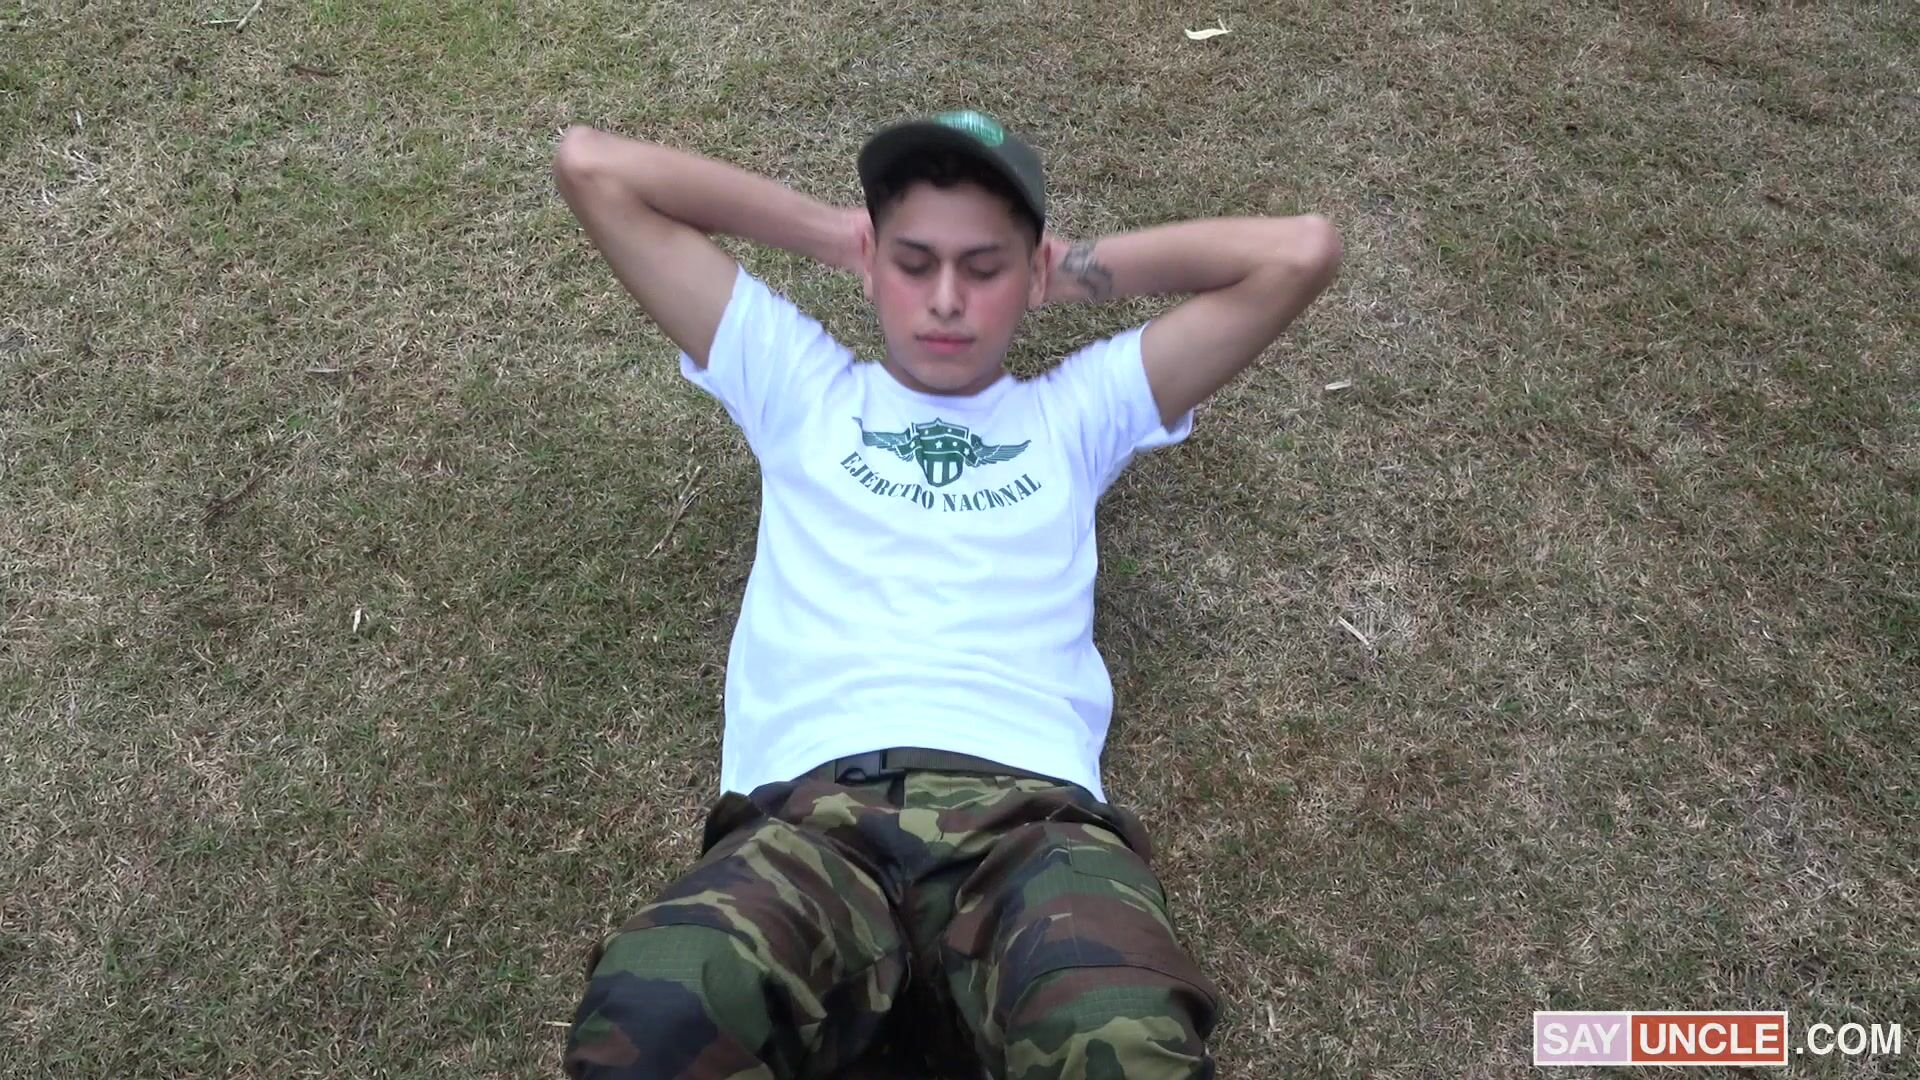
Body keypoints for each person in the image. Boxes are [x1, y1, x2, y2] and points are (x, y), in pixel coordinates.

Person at [551, 109, 1341, 1080]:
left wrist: (1065, 269)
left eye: (985, 268)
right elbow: (593, 166)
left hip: (1030, 831)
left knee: (1125, 1043)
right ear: (875, 262)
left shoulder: (1076, 415)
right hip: (811, 824)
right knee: (657, 1009)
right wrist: (836, 235)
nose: (947, 300)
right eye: (915, 263)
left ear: (1030, 275)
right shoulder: (797, 384)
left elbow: (1299, 252)